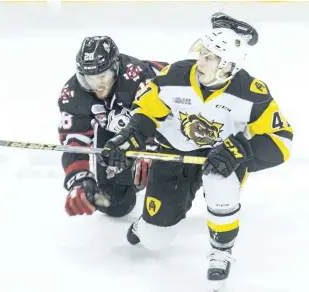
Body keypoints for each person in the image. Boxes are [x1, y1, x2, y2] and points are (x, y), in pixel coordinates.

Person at [99, 18, 293, 288]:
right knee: (154, 241)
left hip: (221, 157)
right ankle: (147, 225)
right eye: (202, 53)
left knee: (219, 181)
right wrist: (126, 138)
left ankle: (221, 252)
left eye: (210, 58)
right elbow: (146, 113)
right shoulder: (174, 76)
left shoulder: (251, 93)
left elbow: (281, 142)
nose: (200, 62)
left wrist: (241, 151)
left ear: (228, 65)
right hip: (174, 154)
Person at [58, 35, 168, 217]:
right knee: (115, 204)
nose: (97, 84)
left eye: (102, 76)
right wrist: (79, 179)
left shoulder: (139, 77)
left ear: (115, 68)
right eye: (89, 78)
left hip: (163, 124)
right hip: (115, 127)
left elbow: (165, 117)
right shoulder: (72, 93)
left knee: (170, 186)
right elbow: (73, 138)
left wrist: (149, 152)